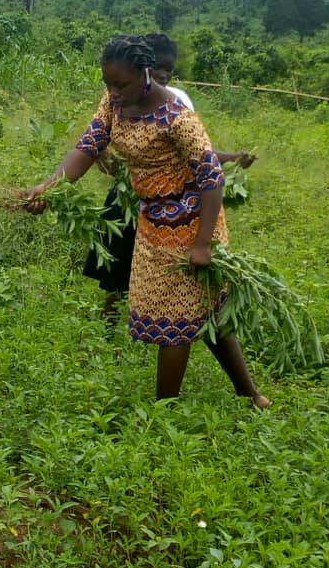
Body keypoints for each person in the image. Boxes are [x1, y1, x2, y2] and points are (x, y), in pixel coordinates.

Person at [25, 33, 269, 408]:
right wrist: (50, 187)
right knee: (206, 314)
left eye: (120, 84)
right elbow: (88, 145)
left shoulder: (177, 117)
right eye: (108, 83)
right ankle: (252, 396)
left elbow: (212, 178)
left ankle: (163, 413)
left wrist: (203, 244)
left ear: (145, 74)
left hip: (193, 224)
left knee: (176, 320)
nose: (113, 91)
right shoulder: (115, 102)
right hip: (153, 222)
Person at [83, 33, 257, 320]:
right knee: (119, 261)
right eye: (158, 70)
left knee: (192, 305)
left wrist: (234, 158)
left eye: (167, 72)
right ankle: (110, 318)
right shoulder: (119, 96)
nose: (162, 77)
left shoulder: (177, 108)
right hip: (136, 197)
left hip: (178, 210)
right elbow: (93, 139)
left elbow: (203, 158)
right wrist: (99, 154)